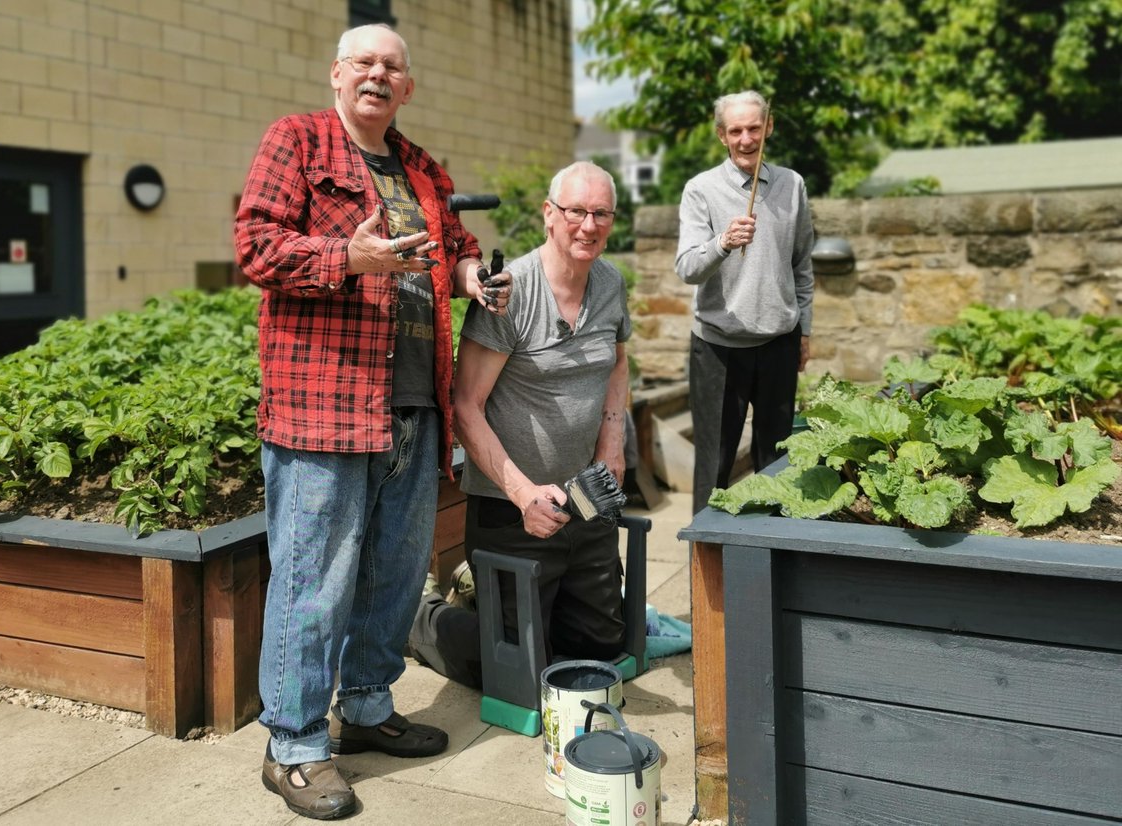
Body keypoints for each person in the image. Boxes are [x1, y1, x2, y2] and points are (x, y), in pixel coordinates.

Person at [233, 23, 510, 821]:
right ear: (336, 74)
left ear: (407, 86)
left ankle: (363, 706)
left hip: (414, 405)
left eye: (392, 66)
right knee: (313, 583)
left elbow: (453, 246)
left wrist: (471, 275)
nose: (378, 75)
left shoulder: (421, 166)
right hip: (324, 404)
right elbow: (254, 246)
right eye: (364, 62)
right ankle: (291, 745)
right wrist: (344, 259)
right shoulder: (297, 141)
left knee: (392, 577)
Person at [408, 160, 632, 689]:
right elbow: (465, 405)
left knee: (600, 652)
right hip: (512, 509)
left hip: (583, 501)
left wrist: (614, 442)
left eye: (601, 213)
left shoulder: (609, 282)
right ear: (549, 215)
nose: (589, 225)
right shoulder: (512, 293)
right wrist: (524, 493)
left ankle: (488, 592)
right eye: (576, 211)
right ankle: (424, 621)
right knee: (520, 673)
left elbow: (617, 361)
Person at [675, 90, 815, 514]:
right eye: (735, 130)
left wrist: (804, 328)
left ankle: (769, 560)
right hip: (719, 350)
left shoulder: (792, 185)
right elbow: (686, 268)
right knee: (714, 469)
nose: (746, 138)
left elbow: (802, 264)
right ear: (722, 135)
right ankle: (707, 571)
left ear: (768, 128)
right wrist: (721, 242)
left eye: (754, 128)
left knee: (776, 467)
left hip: (779, 344)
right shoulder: (701, 190)